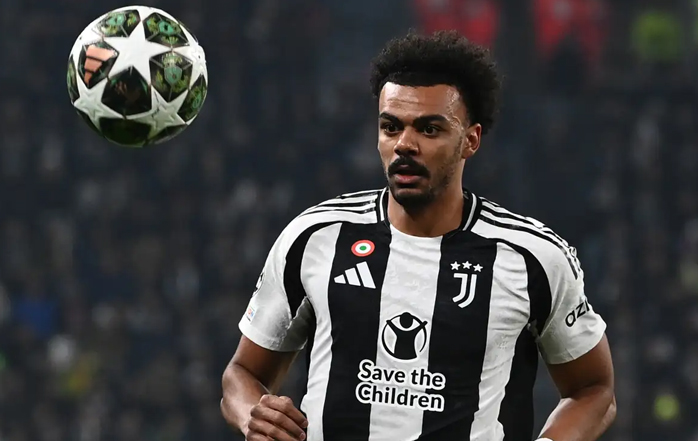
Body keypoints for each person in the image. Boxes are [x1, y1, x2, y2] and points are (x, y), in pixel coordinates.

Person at [220, 30, 616, 441]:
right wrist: (253, 414)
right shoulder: (315, 237)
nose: (404, 144)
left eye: (429, 129)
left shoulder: (532, 257)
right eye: (391, 127)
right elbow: (242, 373)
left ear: (470, 140)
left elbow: (594, 389)